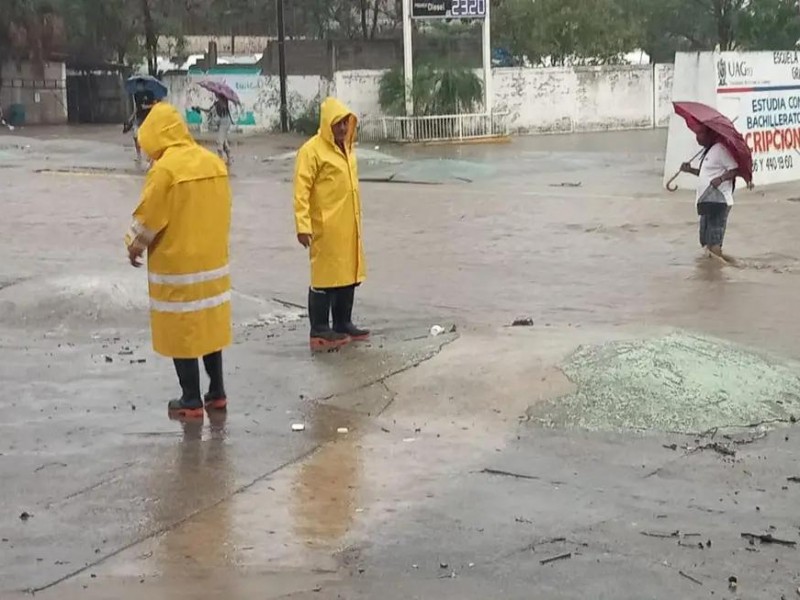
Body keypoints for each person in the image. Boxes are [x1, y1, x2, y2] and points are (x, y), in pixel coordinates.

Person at [124, 102, 233, 419]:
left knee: (181, 327)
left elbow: (148, 217)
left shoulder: (166, 170)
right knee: (209, 326)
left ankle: (190, 399)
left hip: (178, 265)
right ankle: (217, 392)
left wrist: (133, 246)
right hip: (213, 262)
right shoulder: (213, 163)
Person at [293, 97, 368, 352]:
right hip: (324, 226)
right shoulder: (311, 151)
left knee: (348, 274)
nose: (343, 129)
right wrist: (302, 225)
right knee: (324, 278)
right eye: (337, 124)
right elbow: (301, 190)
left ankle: (343, 322)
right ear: (327, 124)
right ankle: (320, 328)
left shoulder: (348, 149)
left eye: (346, 123)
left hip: (349, 225)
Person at [680, 126, 741, 259]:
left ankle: (720, 272)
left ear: (709, 134)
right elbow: (706, 175)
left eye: (700, 133)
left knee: (714, 242)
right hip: (706, 201)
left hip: (719, 201)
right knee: (705, 241)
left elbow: (736, 169)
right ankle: (711, 272)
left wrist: (721, 179)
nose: (697, 137)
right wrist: (689, 170)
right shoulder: (708, 151)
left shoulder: (720, 149)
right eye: (696, 134)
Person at [194, 94, 233, 165]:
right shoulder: (218, 103)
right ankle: (229, 158)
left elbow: (213, 110)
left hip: (224, 123)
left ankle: (220, 161)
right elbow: (209, 110)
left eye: (217, 95)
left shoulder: (224, 103)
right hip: (222, 123)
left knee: (220, 143)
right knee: (223, 141)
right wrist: (200, 108)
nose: (216, 95)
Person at [125, 90, 156, 167]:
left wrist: (147, 106)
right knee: (135, 136)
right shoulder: (136, 94)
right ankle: (138, 155)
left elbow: (155, 105)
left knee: (149, 138)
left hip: (148, 118)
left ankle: (150, 156)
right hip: (139, 118)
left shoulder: (150, 93)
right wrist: (131, 117)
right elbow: (137, 108)